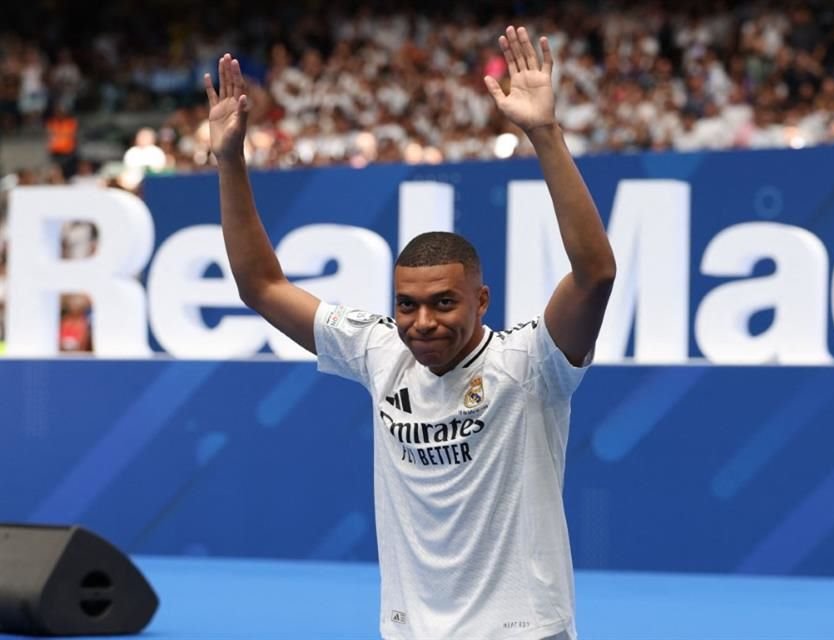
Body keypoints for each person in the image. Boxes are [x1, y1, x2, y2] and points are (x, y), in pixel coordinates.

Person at [206, 25, 616, 640]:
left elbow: (595, 273)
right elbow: (261, 286)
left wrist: (544, 133)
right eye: (407, 305)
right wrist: (230, 160)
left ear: (482, 300)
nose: (422, 323)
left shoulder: (531, 362)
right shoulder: (379, 351)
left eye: (444, 303)